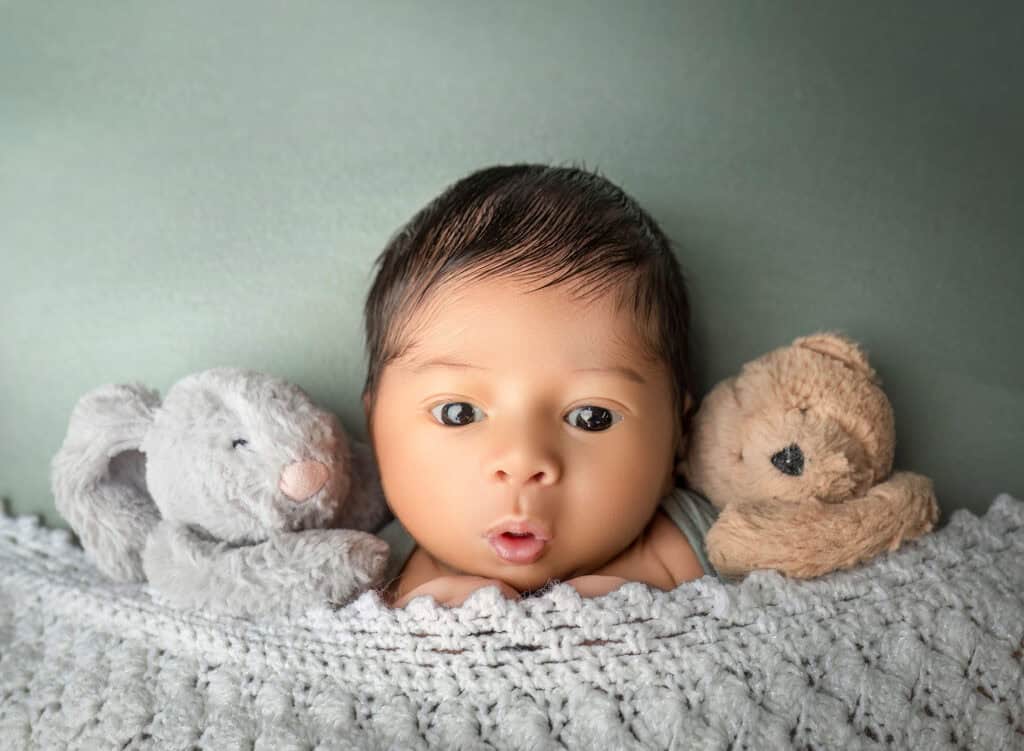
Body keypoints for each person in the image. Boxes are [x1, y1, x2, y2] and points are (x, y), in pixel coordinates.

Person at [361, 163, 718, 609]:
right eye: (459, 413)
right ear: (375, 428)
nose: (523, 460)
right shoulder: (368, 572)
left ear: (677, 440)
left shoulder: (704, 547)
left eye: (592, 417)